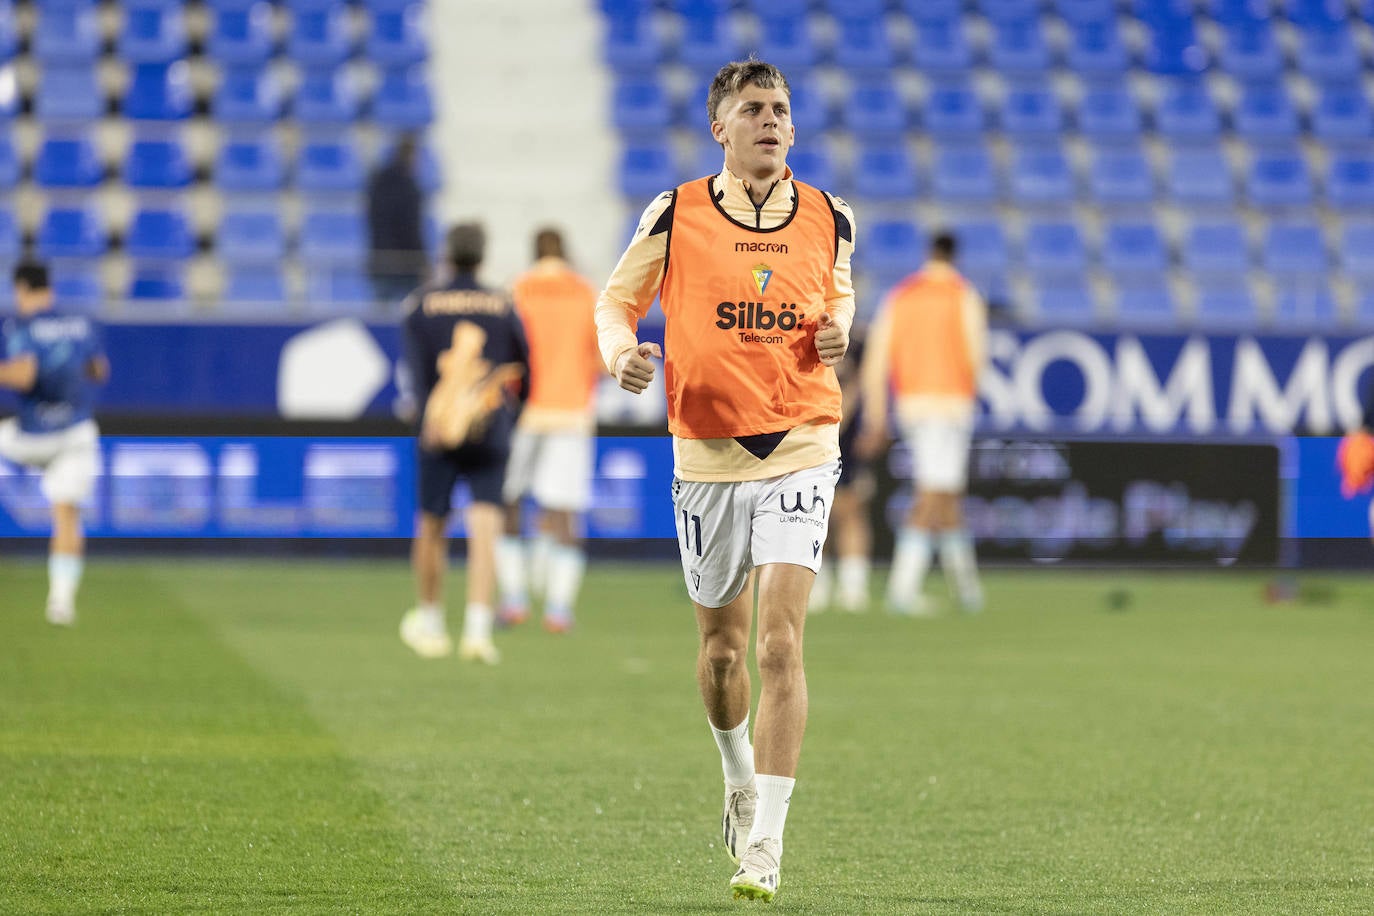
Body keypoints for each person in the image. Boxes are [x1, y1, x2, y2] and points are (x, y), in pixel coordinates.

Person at [595, 59, 856, 902]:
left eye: (781, 108)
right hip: (705, 455)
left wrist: (838, 335)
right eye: (753, 109)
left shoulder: (829, 214)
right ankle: (736, 768)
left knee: (781, 642)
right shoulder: (675, 212)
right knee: (721, 652)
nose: (772, 121)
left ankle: (767, 847)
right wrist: (620, 356)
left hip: (802, 441)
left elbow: (837, 298)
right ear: (721, 128)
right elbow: (613, 304)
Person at [398, 223, 529, 664]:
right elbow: (525, 365)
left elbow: (414, 371)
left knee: (432, 524)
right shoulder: (501, 303)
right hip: (489, 424)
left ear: (448, 255)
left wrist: (425, 416)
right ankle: (477, 630)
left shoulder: (422, 305)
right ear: (482, 255)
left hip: (439, 425)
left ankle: (431, 624)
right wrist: (513, 416)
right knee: (486, 526)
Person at [859, 231, 988, 615]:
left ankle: (967, 591)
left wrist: (877, 414)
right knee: (932, 494)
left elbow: (876, 362)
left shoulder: (900, 297)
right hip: (950, 405)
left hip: (913, 404)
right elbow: (975, 356)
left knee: (947, 494)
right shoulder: (963, 295)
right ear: (955, 255)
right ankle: (903, 590)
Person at [495, 228, 601, 633]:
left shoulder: (516, 291)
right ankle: (558, 609)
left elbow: (501, 356)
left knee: (508, 503)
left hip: (522, 413)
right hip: (571, 412)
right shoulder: (584, 292)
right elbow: (599, 361)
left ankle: (515, 599)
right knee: (565, 513)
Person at [0, 261, 109, 626]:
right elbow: (99, 370)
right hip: (74, 434)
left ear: (22, 289)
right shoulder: (80, 323)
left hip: (32, 437)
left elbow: (24, 375)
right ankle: (60, 604)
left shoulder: (22, 325)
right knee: (66, 515)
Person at [808, 329, 873, 614]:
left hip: (841, 436)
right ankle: (816, 585)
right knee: (809, 511)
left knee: (849, 509)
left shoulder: (858, 340)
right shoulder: (799, 329)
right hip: (809, 431)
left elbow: (863, 384)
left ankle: (853, 587)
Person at [366, 133, 429, 307]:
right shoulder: (410, 189)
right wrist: (422, 262)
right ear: (412, 156)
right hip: (406, 263)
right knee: (411, 313)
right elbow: (411, 228)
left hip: (379, 258)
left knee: (381, 314)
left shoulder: (377, 183)